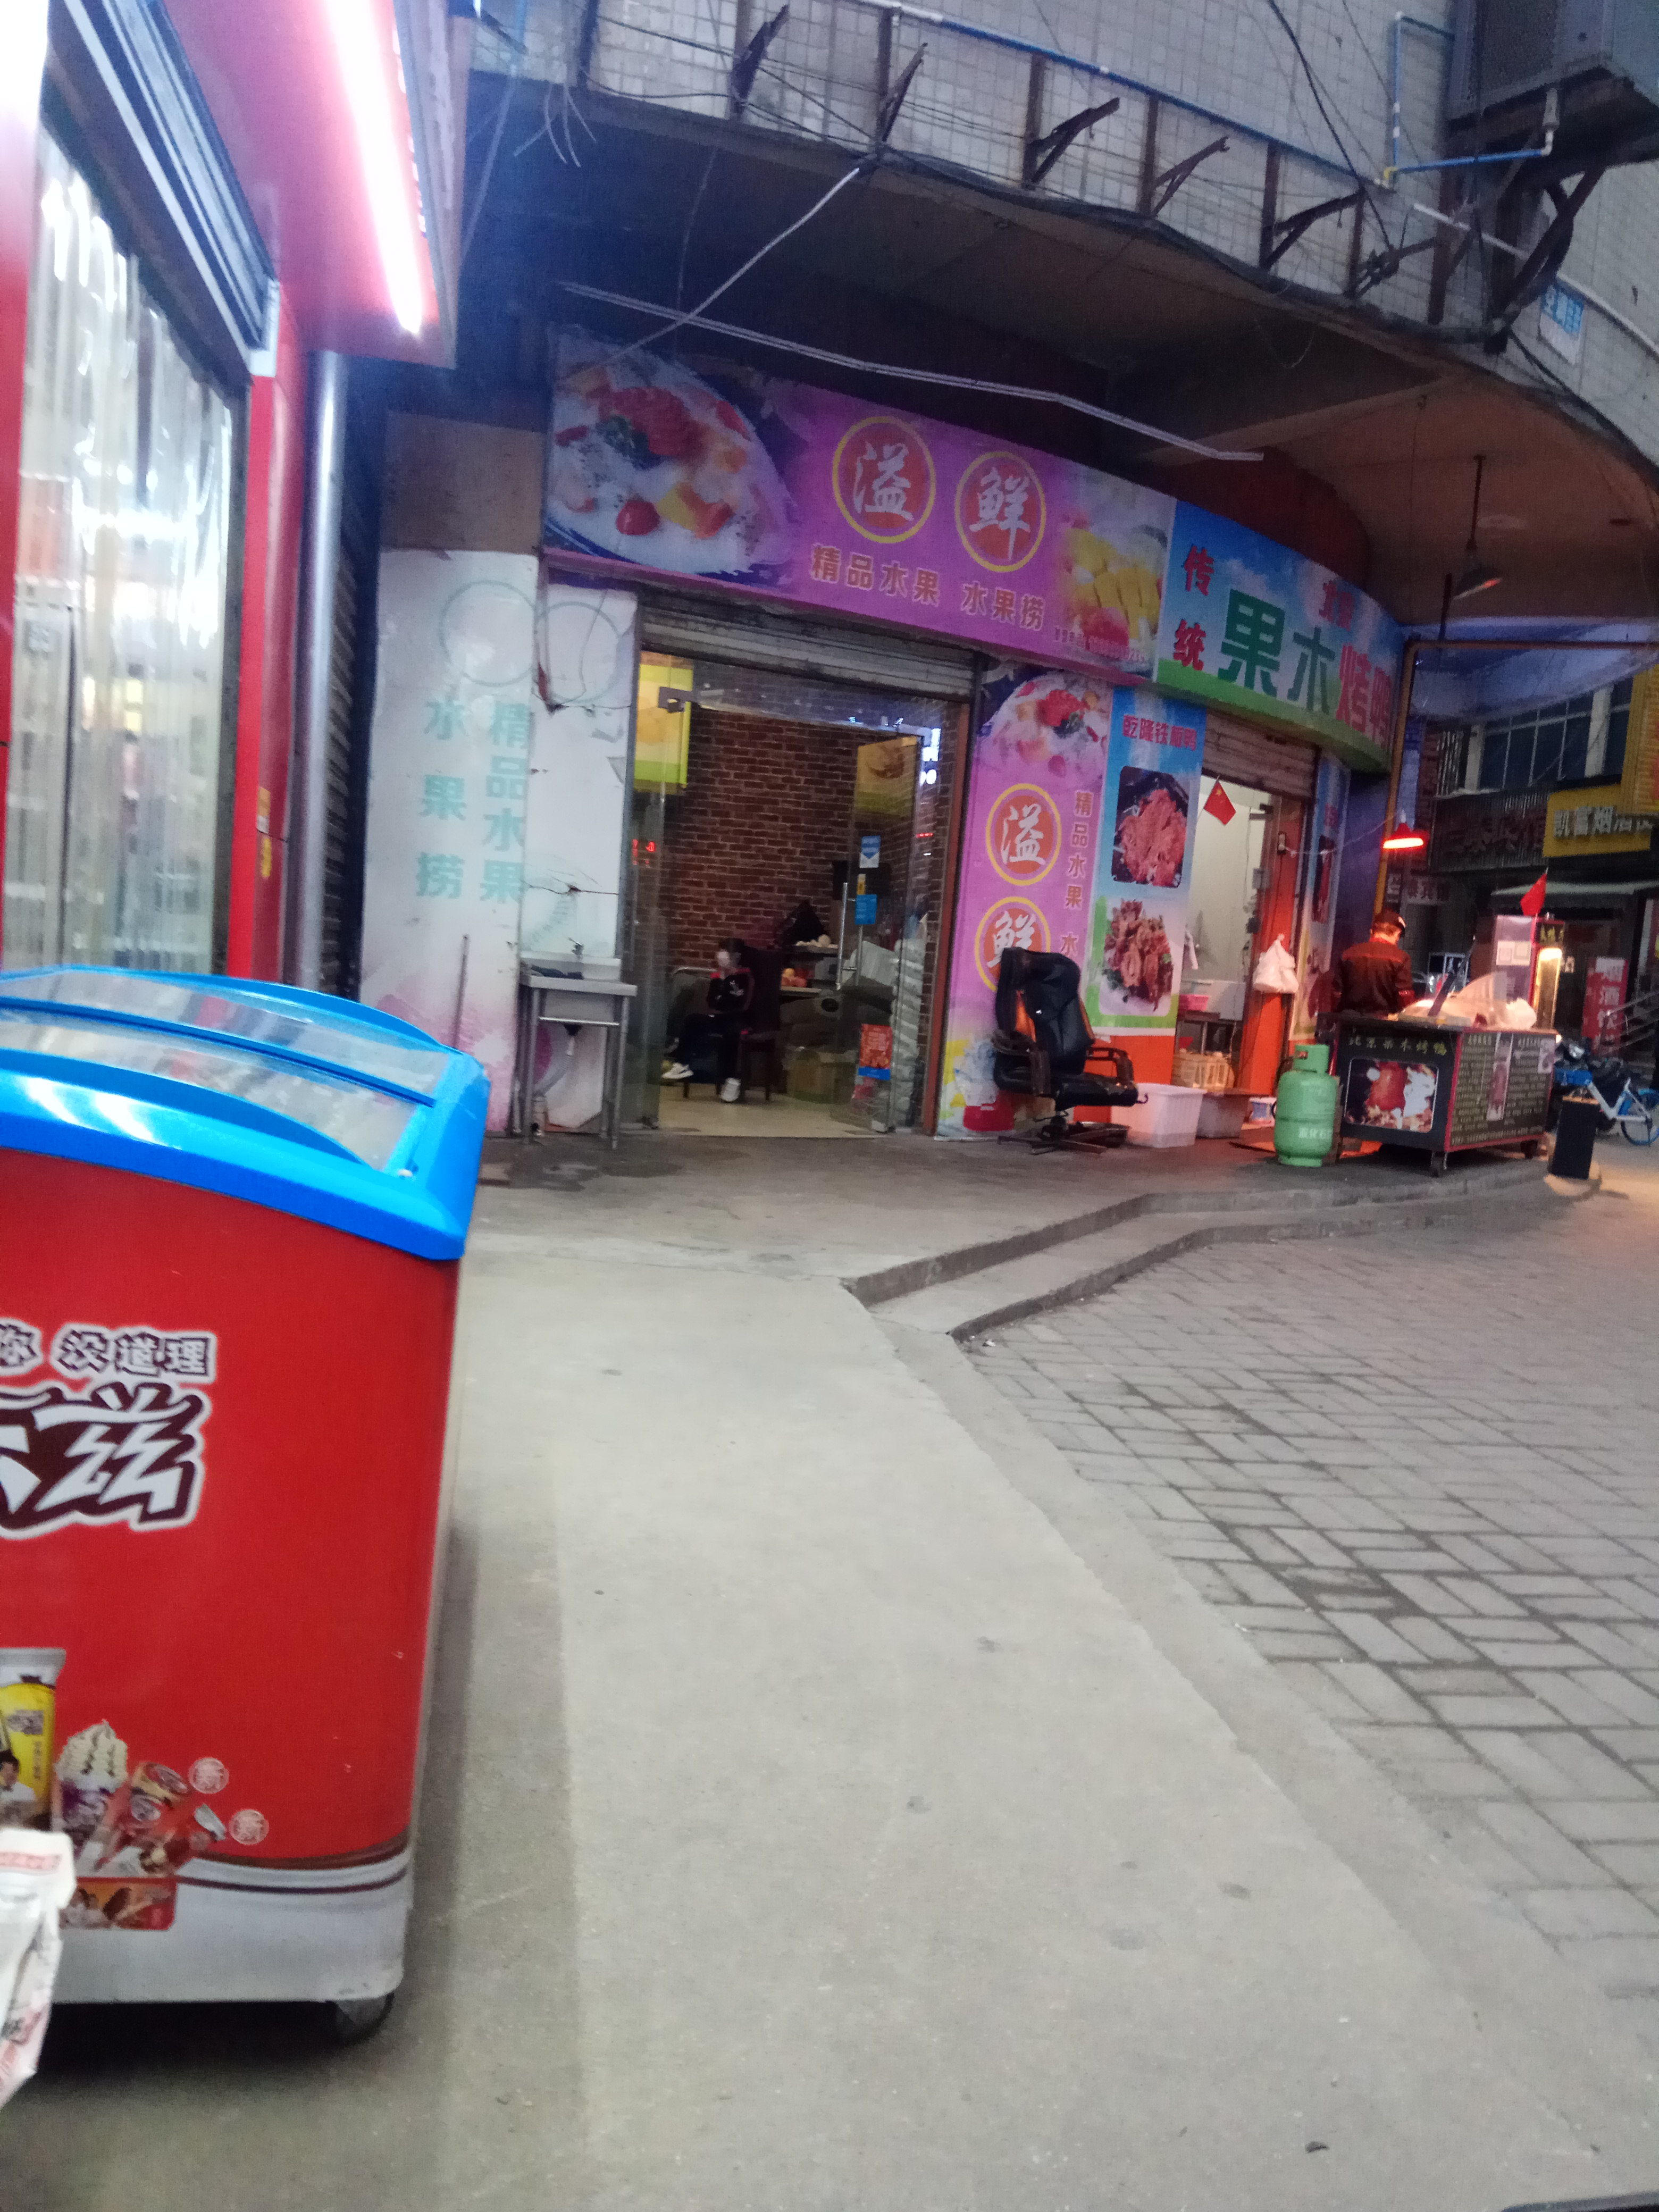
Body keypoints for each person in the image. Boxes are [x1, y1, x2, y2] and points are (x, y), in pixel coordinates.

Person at [663, 939, 755, 1101]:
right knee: (693, 1020)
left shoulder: (745, 976)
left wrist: (725, 994)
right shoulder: (717, 976)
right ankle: (682, 1064)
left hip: (738, 1019)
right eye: (721, 951)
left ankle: (731, 1079)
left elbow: (740, 1004)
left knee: (732, 1033)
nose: (721, 955)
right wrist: (722, 983)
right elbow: (712, 1002)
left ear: (736, 956)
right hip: (719, 1017)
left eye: (725, 952)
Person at [1335, 908, 1417, 1017]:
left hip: (1349, 1020)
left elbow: (1337, 994)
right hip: (1382, 1022)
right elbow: (1404, 995)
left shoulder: (1348, 954)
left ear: (1372, 931)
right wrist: (1409, 1017)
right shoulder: (1401, 958)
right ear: (1397, 933)